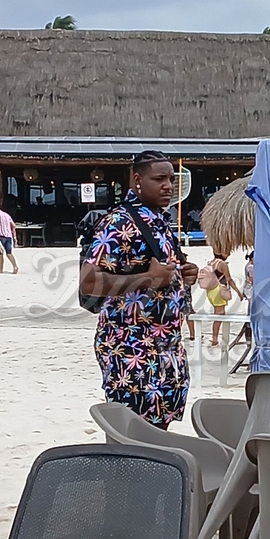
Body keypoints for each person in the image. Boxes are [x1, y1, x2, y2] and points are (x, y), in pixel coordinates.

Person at [80, 150, 199, 429]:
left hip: (167, 345)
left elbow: (159, 271)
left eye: (171, 179)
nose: (168, 186)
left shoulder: (159, 221)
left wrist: (184, 273)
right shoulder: (120, 222)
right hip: (131, 345)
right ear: (137, 180)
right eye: (159, 179)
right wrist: (148, 279)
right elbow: (88, 281)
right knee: (133, 431)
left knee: (160, 427)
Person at [200, 253, 245, 346]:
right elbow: (229, 279)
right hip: (219, 290)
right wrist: (238, 292)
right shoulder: (222, 264)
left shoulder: (211, 262)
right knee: (219, 316)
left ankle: (215, 338)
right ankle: (215, 339)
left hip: (211, 291)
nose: (228, 254)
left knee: (217, 315)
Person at [0, 203, 18, 274]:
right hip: (8, 236)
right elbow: (13, 225)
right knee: (9, 253)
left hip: (0, 236)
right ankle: (15, 266)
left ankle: (0, 270)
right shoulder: (7, 215)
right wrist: (14, 236)